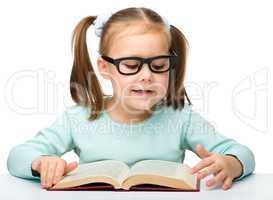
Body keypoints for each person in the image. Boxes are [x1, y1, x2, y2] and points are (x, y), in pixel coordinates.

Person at [7, 7, 255, 191]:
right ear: (104, 67)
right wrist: (41, 163)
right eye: (131, 65)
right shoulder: (78, 118)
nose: (147, 76)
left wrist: (232, 164)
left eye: (158, 65)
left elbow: (242, 154)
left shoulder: (181, 118)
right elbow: (17, 157)